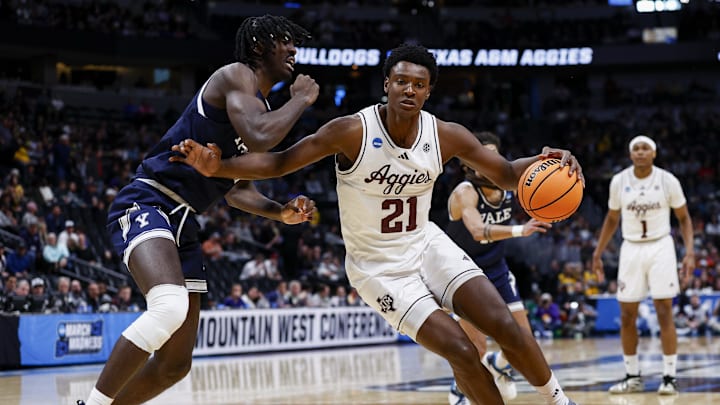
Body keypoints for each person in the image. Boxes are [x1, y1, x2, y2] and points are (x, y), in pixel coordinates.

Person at [171, 43, 582, 405]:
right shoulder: (351, 131)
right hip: (378, 268)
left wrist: (547, 160)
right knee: (461, 349)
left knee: (504, 324)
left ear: (428, 91)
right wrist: (220, 167)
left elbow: (508, 174)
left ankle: (559, 401)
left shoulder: (446, 135)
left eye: (418, 84)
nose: (409, 90)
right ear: (386, 84)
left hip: (426, 244)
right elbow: (280, 161)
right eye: (401, 81)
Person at [79, 14, 318, 405]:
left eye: (295, 43)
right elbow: (260, 136)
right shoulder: (236, 76)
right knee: (169, 305)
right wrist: (301, 99)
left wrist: (279, 212)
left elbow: (236, 190)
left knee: (175, 365)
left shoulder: (260, 104)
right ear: (259, 46)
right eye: (284, 41)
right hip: (149, 200)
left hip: (186, 224)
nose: (293, 49)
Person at [444, 131, 552, 403]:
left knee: (525, 341)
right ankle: (459, 390)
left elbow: (538, 175)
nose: (489, 159)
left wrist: (553, 160)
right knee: (475, 347)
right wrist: (520, 229)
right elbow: (478, 231)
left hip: (496, 268)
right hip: (464, 272)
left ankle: (501, 363)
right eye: (483, 155)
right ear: (468, 164)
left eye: (494, 154)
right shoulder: (464, 192)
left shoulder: (507, 186)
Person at [592, 135, 695, 395]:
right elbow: (612, 218)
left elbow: (683, 218)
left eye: (645, 148)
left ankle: (669, 377)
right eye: (635, 149)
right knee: (627, 315)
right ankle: (632, 376)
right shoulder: (619, 181)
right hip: (631, 248)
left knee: (664, 311)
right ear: (630, 155)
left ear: (654, 153)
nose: (640, 152)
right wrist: (598, 252)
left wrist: (690, 252)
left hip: (661, 246)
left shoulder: (667, 180)